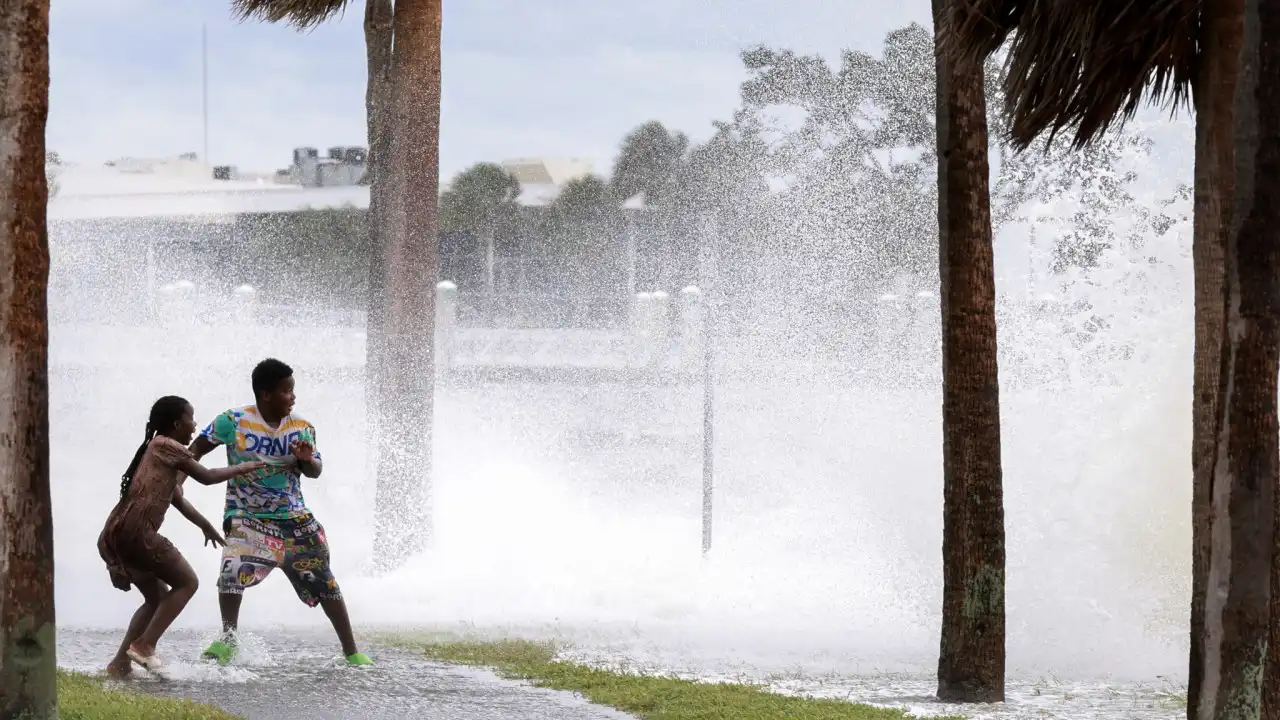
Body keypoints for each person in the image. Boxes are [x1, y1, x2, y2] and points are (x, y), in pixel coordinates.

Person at [191, 358, 372, 666]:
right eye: (287, 391)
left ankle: (351, 651)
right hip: (247, 515)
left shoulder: (302, 427)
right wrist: (175, 481)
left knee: (325, 582)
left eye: (293, 390)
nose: (293, 397)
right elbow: (194, 452)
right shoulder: (232, 421)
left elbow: (315, 471)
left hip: (294, 519)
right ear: (265, 394)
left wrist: (305, 459)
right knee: (231, 568)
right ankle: (228, 639)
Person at [99, 395, 268, 677]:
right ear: (177, 423)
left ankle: (120, 663)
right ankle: (144, 645)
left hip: (117, 534)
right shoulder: (168, 445)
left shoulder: (155, 451)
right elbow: (206, 476)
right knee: (188, 582)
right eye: (191, 419)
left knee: (156, 599)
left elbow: (177, 498)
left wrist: (205, 526)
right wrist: (242, 467)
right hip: (138, 534)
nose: (194, 424)